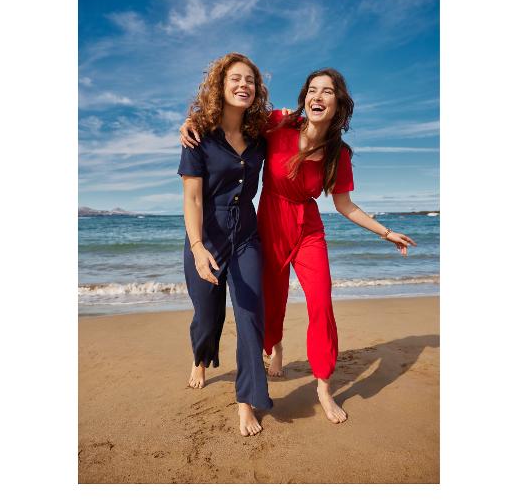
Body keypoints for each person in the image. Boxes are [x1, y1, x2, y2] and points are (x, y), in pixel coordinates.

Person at [181, 68, 417, 424]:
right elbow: (232, 118)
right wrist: (190, 122)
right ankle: (273, 348)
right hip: (270, 223)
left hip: (308, 230)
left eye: (326, 91)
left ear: (338, 103)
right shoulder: (278, 124)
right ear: (305, 97)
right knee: (270, 303)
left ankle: (323, 385)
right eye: (312, 90)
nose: (317, 96)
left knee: (321, 301)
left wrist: (385, 232)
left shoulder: (339, 153)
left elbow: (345, 205)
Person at [178, 52, 274, 437]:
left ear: (257, 89)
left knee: (250, 314)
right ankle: (201, 357)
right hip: (207, 235)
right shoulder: (198, 133)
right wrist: (198, 247)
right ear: (220, 85)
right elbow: (193, 198)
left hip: (246, 235)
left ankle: (246, 401)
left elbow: (301, 118)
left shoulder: (259, 134)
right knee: (206, 314)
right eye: (235, 78)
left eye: (249, 80)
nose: (243, 85)